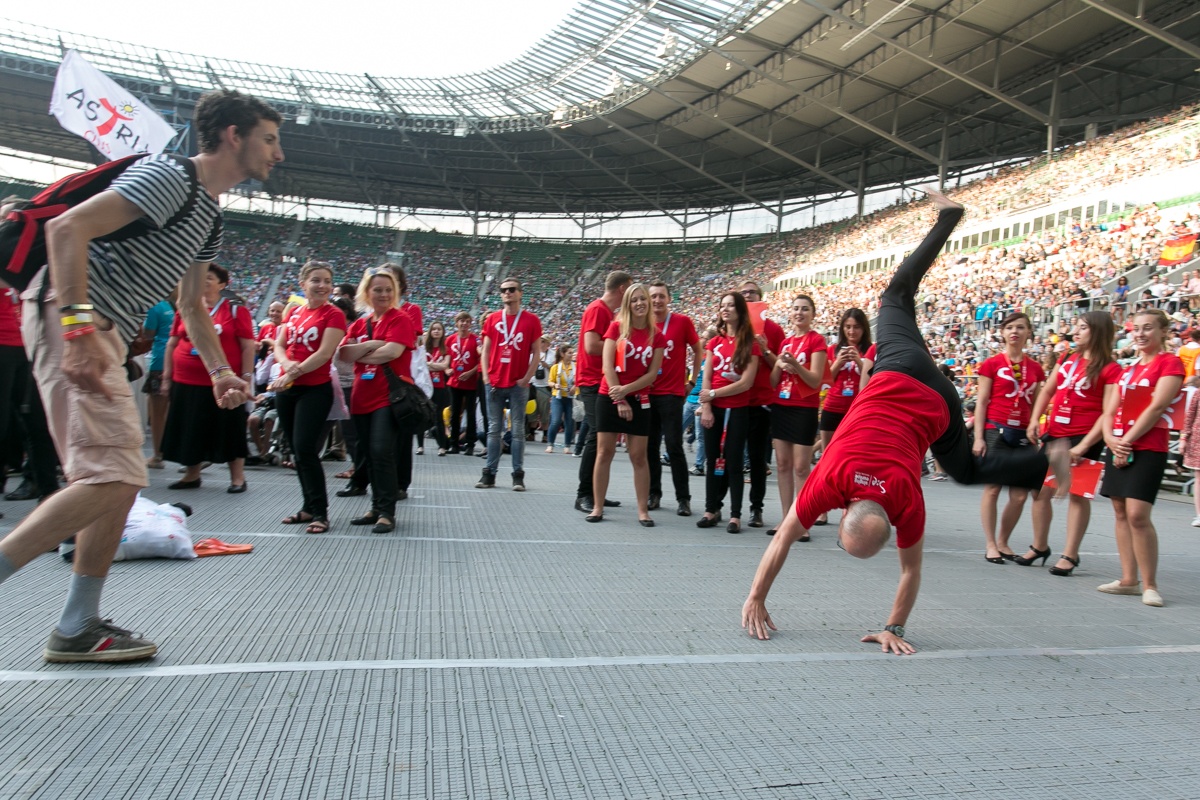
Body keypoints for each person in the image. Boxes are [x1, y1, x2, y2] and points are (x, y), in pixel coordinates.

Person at [0, 89, 281, 662]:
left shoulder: (209, 215)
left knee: (121, 479)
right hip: (74, 315)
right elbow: (67, 230)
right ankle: (72, 621)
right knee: (112, 475)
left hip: (99, 326)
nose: (279, 153)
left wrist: (221, 370)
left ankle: (78, 625)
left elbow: (192, 307)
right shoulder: (172, 176)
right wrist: (78, 329)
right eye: (270, 139)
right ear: (234, 136)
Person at [740, 188, 1070, 655]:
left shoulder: (902, 501)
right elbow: (789, 543)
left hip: (937, 400)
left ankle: (1043, 461)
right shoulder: (834, 480)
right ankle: (948, 218)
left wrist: (892, 628)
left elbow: (910, 570)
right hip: (906, 370)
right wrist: (757, 597)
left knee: (965, 471)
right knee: (896, 295)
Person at [1096, 308, 1183, 608]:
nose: (1141, 333)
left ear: (1163, 332)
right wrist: (1110, 438)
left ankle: (1150, 584)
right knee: (1120, 511)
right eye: (1137, 328)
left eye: (1148, 328)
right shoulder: (1128, 369)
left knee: (1137, 515)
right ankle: (1128, 580)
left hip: (1148, 447)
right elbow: (1110, 410)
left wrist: (1125, 442)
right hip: (1119, 444)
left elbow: (1157, 407)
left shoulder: (1170, 363)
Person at [1021, 311, 1120, 574]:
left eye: (1083, 327)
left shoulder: (1111, 368)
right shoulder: (1067, 357)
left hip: (1084, 436)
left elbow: (1107, 413)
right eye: (1076, 326)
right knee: (1039, 491)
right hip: (1055, 432)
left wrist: (1084, 446)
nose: (1075, 331)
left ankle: (1070, 554)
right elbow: (1048, 390)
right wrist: (1034, 420)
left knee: (1077, 495)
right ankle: (1039, 546)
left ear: (1097, 331)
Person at [160, 264, 255, 493]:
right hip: (186, 381)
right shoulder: (185, 308)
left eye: (209, 277)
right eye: (200, 276)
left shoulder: (235, 310)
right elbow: (172, 343)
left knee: (229, 429)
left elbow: (248, 346)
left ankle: (237, 478)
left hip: (225, 383)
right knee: (190, 428)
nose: (203, 280)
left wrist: (246, 377)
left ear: (222, 284)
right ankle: (192, 475)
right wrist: (167, 377)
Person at [337, 267, 417, 534]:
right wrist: (373, 345)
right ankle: (376, 507)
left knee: (382, 451)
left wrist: (362, 352)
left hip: (388, 397)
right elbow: (343, 354)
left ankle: (386, 512)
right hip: (361, 396)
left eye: (388, 290)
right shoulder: (361, 323)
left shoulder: (400, 319)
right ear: (367, 292)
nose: (383, 294)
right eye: (378, 289)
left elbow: (392, 352)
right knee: (369, 454)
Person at [272, 261, 345, 534]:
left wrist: (294, 371)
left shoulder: (334, 314)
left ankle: (320, 512)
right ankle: (307, 507)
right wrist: (286, 366)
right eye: (316, 280)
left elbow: (325, 353)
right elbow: (280, 345)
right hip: (287, 388)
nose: (322, 286)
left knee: (305, 448)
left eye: (327, 281)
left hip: (314, 388)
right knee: (296, 450)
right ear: (303, 284)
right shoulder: (294, 312)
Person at [588, 283, 665, 525]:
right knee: (604, 452)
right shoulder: (617, 328)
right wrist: (619, 398)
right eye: (634, 300)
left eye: (643, 299)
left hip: (639, 398)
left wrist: (627, 391)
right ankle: (597, 507)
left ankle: (643, 511)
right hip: (610, 396)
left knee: (639, 456)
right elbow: (607, 366)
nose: (639, 303)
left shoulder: (657, 335)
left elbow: (652, 375)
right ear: (627, 304)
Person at [972, 312, 1045, 564]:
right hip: (996, 429)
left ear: (1028, 333)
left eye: (1021, 327)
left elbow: (1037, 404)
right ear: (1002, 332)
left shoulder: (1035, 368)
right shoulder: (991, 364)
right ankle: (990, 544)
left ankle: (1003, 541)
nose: (1015, 331)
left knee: (1020, 495)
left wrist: (1036, 428)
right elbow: (982, 402)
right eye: (1010, 327)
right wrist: (978, 437)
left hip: (1024, 433)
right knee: (993, 488)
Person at [697, 291, 761, 533]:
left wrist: (713, 394)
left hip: (737, 409)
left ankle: (735, 515)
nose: (725, 309)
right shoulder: (714, 342)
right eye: (722, 305)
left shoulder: (751, 343)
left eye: (731, 305)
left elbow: (746, 383)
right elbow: (707, 377)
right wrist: (707, 406)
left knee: (734, 462)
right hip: (714, 409)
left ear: (740, 310)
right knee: (712, 459)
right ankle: (710, 510)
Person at [768, 294, 827, 536]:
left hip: (804, 408)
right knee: (783, 465)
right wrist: (777, 365)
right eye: (795, 309)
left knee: (801, 467)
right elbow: (773, 382)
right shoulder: (785, 343)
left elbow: (815, 380)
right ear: (790, 313)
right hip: (781, 406)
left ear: (812, 314)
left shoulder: (817, 340)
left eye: (804, 309)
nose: (799, 313)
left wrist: (796, 365)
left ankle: (801, 522)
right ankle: (786, 519)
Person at [574, 271, 632, 513]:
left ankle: (596, 492)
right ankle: (584, 494)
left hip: (600, 380)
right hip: (591, 380)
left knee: (602, 436)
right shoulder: (598, 309)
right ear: (622, 289)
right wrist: (622, 345)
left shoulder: (607, 312)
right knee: (597, 435)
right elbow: (591, 345)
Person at [476, 279, 543, 491]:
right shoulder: (493, 319)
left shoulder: (531, 320)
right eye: (503, 290)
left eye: (512, 289)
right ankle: (489, 474)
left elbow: (537, 353)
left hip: (518, 384)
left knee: (518, 431)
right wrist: (486, 377)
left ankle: (518, 475)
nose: (507, 293)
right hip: (494, 382)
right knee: (493, 430)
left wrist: (526, 378)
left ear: (520, 293)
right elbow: (485, 350)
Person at [646, 280, 700, 517]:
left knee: (674, 446)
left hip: (671, 394)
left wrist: (692, 381)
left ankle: (683, 498)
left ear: (669, 299)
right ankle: (653, 493)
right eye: (653, 296)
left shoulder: (682, 321)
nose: (657, 300)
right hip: (647, 393)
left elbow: (698, 350)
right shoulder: (642, 323)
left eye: (661, 296)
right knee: (650, 447)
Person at [816, 308, 875, 526]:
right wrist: (837, 363)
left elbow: (873, 379)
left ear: (864, 328)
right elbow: (824, 381)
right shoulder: (832, 349)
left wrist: (859, 362)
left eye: (856, 327)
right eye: (848, 327)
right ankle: (822, 508)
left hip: (856, 412)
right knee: (827, 461)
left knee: (854, 463)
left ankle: (849, 509)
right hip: (832, 408)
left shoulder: (870, 351)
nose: (852, 331)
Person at [740, 281, 785, 529]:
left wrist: (766, 350)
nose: (748, 296)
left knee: (757, 460)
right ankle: (726, 507)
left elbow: (781, 366)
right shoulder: (732, 326)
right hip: (734, 400)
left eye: (752, 292)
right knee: (730, 456)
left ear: (761, 298)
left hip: (761, 402)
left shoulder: (774, 330)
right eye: (743, 293)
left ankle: (756, 508)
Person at [141, 298, 175, 469]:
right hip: (182, 360)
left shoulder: (156, 306)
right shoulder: (185, 305)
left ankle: (157, 455)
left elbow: (147, 334)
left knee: (157, 413)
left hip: (160, 361)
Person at [446, 311, 480, 455]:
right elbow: (445, 358)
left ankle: (470, 444)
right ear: (456, 323)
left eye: (467, 321)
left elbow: (481, 361)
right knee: (454, 413)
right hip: (455, 382)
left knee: (471, 414)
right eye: (461, 321)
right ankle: (453, 444)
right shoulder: (450, 339)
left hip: (471, 382)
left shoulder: (476, 340)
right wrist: (446, 369)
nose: (464, 324)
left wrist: (471, 372)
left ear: (470, 324)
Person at [418, 321, 452, 456]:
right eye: (434, 329)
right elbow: (420, 364)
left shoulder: (445, 349)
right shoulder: (424, 349)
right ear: (430, 331)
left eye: (439, 329)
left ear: (443, 332)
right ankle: (420, 446)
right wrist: (435, 365)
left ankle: (442, 447)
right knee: (422, 415)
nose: (436, 331)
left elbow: (444, 366)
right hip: (425, 386)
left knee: (439, 417)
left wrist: (429, 365)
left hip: (439, 387)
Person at [547, 343, 576, 454]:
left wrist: (575, 386)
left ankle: (567, 446)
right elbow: (550, 382)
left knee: (569, 422)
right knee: (556, 421)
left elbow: (579, 380)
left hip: (570, 397)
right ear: (563, 354)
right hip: (557, 397)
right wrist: (555, 385)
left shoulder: (575, 367)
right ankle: (550, 444)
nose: (571, 355)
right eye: (569, 353)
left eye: (572, 353)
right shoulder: (555, 367)